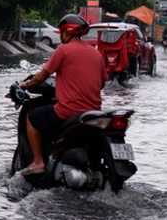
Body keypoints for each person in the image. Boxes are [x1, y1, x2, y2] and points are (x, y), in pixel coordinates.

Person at [18, 14, 108, 176]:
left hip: (68, 111)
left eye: (61, 33)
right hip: (93, 112)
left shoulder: (63, 50)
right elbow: (102, 83)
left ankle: (38, 162)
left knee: (32, 117)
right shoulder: (96, 54)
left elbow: (42, 77)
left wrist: (26, 85)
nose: (60, 36)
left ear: (68, 32)